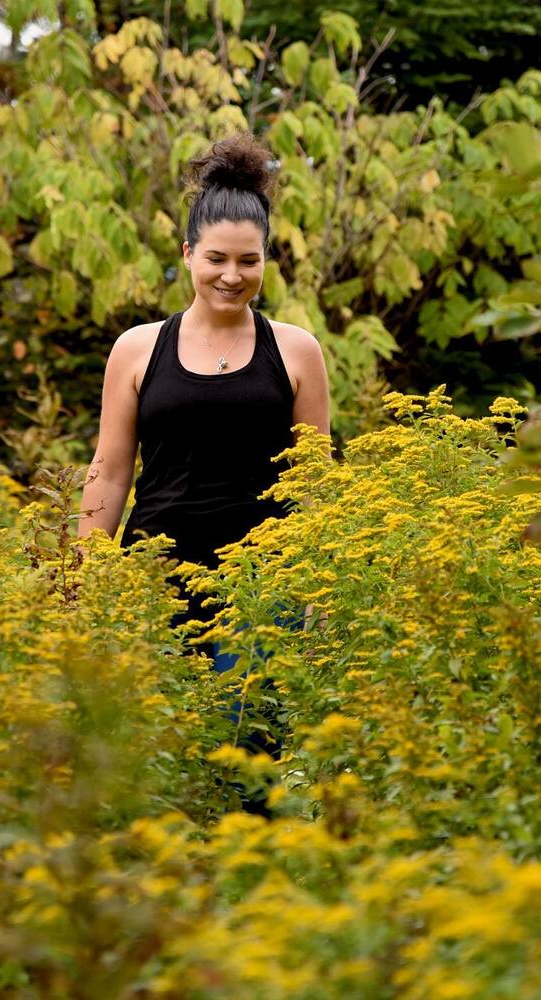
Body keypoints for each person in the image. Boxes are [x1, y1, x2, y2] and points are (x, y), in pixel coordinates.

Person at [77, 131, 330, 680]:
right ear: (188, 253)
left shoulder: (298, 352)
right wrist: (86, 577)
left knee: (250, 748)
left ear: (267, 260)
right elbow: (111, 471)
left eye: (248, 261)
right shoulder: (137, 349)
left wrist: (322, 592)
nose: (231, 276)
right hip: (154, 583)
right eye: (216, 258)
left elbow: (315, 484)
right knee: (159, 752)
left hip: (265, 589)